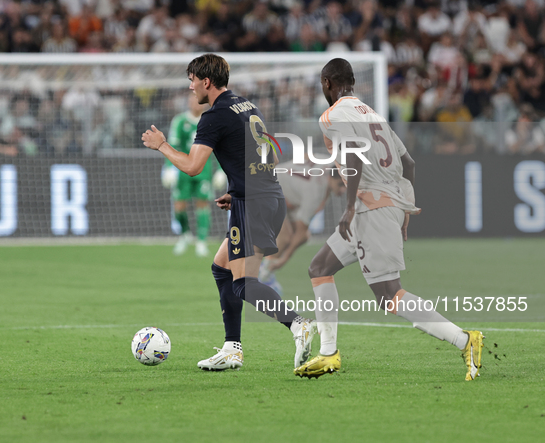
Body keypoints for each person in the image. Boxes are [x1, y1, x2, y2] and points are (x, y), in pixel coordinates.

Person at [294, 58, 484, 381]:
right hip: (386, 206)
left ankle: (465, 340)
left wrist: (350, 206)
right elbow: (408, 163)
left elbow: (352, 152)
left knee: (390, 296)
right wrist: (405, 209)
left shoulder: (332, 116)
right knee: (320, 268)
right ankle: (328, 354)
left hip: (370, 209)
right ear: (353, 82)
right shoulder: (376, 116)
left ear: (327, 84)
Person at [142, 53, 316, 371]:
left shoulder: (213, 116)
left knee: (242, 283)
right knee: (222, 269)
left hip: (254, 205)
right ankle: (232, 349)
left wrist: (162, 146)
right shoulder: (246, 105)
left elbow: (194, 167)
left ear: (206, 81)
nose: (191, 87)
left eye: (193, 80)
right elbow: (272, 156)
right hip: (261, 199)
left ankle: (298, 324)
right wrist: (237, 191)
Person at [259, 161, 345, 293]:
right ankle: (263, 276)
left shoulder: (330, 164)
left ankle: (264, 271)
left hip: (280, 191)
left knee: (304, 237)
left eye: (345, 185)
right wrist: (285, 259)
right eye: (340, 185)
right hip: (266, 187)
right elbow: (300, 231)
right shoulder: (315, 194)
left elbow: (306, 156)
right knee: (285, 237)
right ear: (330, 178)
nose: (343, 190)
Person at [162, 94, 226, 257]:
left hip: (203, 171)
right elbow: (173, 145)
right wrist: (169, 168)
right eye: (192, 101)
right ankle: (185, 235)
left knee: (202, 205)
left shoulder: (213, 121)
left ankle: (201, 242)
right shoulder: (180, 121)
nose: (196, 104)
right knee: (179, 206)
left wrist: (220, 170)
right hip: (183, 170)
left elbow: (219, 148)